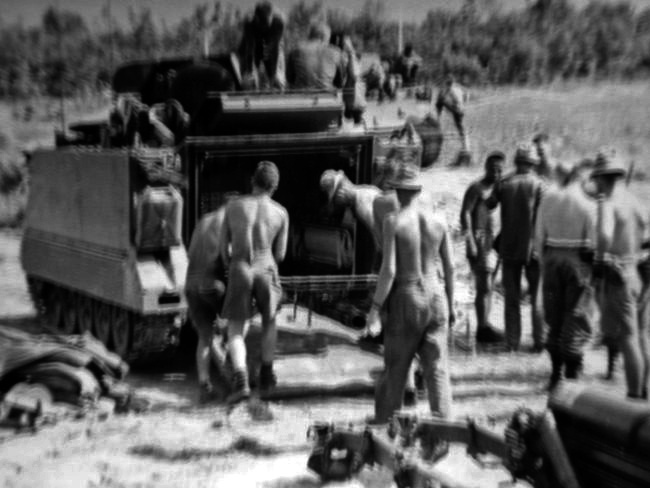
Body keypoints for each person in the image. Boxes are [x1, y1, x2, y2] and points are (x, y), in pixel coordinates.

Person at [366, 162, 454, 433]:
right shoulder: (439, 219)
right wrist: (451, 305)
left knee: (396, 368)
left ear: (398, 191)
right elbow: (449, 268)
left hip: (407, 294)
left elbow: (389, 270)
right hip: (436, 292)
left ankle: (384, 428)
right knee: (437, 368)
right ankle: (443, 429)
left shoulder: (393, 221)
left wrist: (375, 308)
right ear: (418, 189)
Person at [220, 161, 289, 403]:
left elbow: (223, 250)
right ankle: (267, 376)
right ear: (275, 186)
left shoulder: (233, 206)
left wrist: (234, 265)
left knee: (235, 329)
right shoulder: (281, 213)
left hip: (240, 266)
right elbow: (280, 255)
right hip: (266, 266)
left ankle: (241, 382)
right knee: (270, 322)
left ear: (253, 181)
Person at [591, 151, 650, 399]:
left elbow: (604, 235)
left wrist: (600, 259)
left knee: (628, 338)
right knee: (641, 334)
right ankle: (643, 388)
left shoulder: (608, 202)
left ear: (601, 178)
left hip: (619, 272)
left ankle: (634, 394)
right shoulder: (635, 201)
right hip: (639, 268)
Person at [534, 160, 597, 389]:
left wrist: (544, 263)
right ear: (580, 179)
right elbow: (593, 244)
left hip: (551, 259)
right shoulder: (587, 204)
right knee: (576, 317)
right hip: (577, 261)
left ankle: (555, 375)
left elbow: (538, 237)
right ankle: (571, 376)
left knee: (555, 318)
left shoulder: (548, 199)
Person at [486, 144, 546, 352]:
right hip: (534, 248)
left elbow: (489, 204)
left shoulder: (505, 183)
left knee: (511, 298)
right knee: (537, 297)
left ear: (517, 161)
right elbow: (543, 218)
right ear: (533, 162)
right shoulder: (539, 185)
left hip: (509, 247)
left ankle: (512, 342)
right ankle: (540, 342)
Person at [185, 201, 232, 403]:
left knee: (205, 337)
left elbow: (190, 253)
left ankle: (205, 386)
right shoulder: (228, 222)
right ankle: (235, 380)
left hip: (190, 285)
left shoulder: (203, 221)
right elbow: (229, 256)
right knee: (234, 327)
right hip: (213, 283)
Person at [460, 151, 505, 344]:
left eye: (500, 170)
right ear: (486, 167)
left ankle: (485, 325)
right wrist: (469, 239)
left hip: (495, 242)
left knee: (490, 286)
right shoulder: (477, 188)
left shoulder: (500, 188)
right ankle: (481, 328)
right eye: (493, 169)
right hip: (480, 241)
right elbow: (465, 213)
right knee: (484, 285)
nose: (496, 173)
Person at [286, 23, 350, 91]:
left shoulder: (295, 50)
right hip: (327, 96)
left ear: (310, 35)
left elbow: (289, 79)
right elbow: (340, 82)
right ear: (324, 37)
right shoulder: (336, 52)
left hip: (301, 95)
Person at [238, 2, 286, 90]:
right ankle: (248, 88)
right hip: (253, 41)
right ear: (256, 18)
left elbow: (275, 48)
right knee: (248, 79)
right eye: (263, 25)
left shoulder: (279, 21)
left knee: (278, 78)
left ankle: (278, 86)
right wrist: (251, 72)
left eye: (267, 25)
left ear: (271, 17)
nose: (265, 29)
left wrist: (274, 74)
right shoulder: (249, 21)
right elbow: (250, 47)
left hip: (272, 42)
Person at [435, 75, 469, 154]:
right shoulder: (458, 88)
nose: (444, 85)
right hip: (460, 110)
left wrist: (453, 106)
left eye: (445, 84)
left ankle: (465, 146)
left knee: (461, 128)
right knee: (460, 127)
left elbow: (453, 100)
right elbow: (467, 94)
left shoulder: (450, 90)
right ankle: (465, 145)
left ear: (447, 84)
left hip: (457, 110)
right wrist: (464, 104)